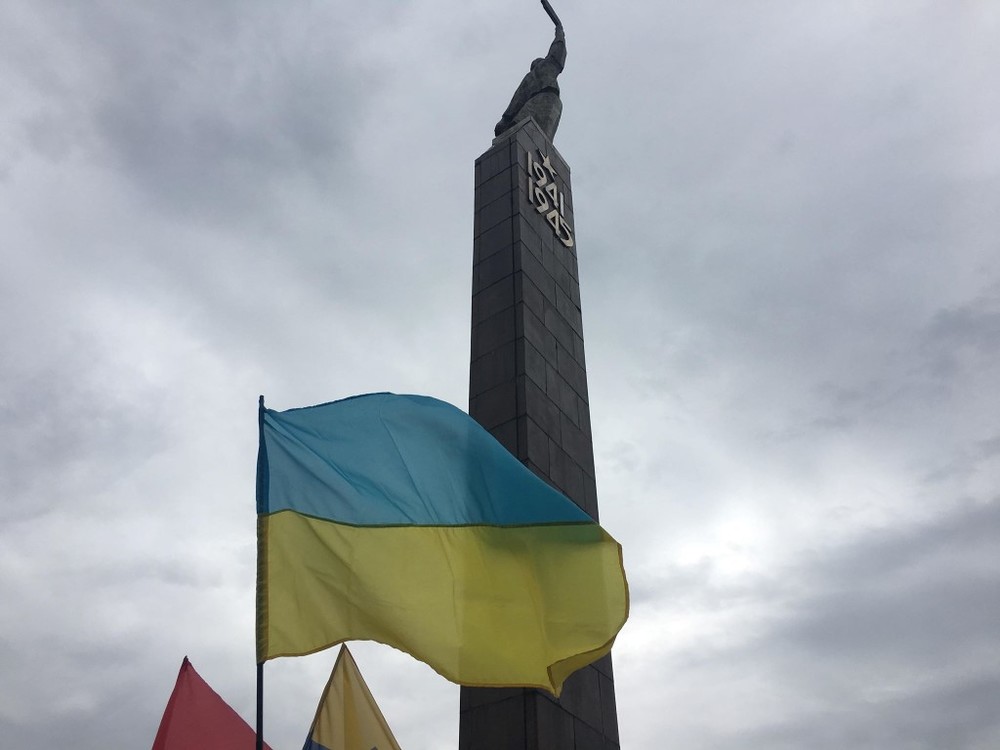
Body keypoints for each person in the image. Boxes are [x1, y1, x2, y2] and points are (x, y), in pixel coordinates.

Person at [494, 0, 566, 141]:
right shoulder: (549, 66)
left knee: (523, 135)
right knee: (540, 140)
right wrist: (559, 32)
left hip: (541, 101)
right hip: (553, 103)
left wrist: (505, 119)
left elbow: (519, 98)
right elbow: (519, 97)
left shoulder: (541, 69)